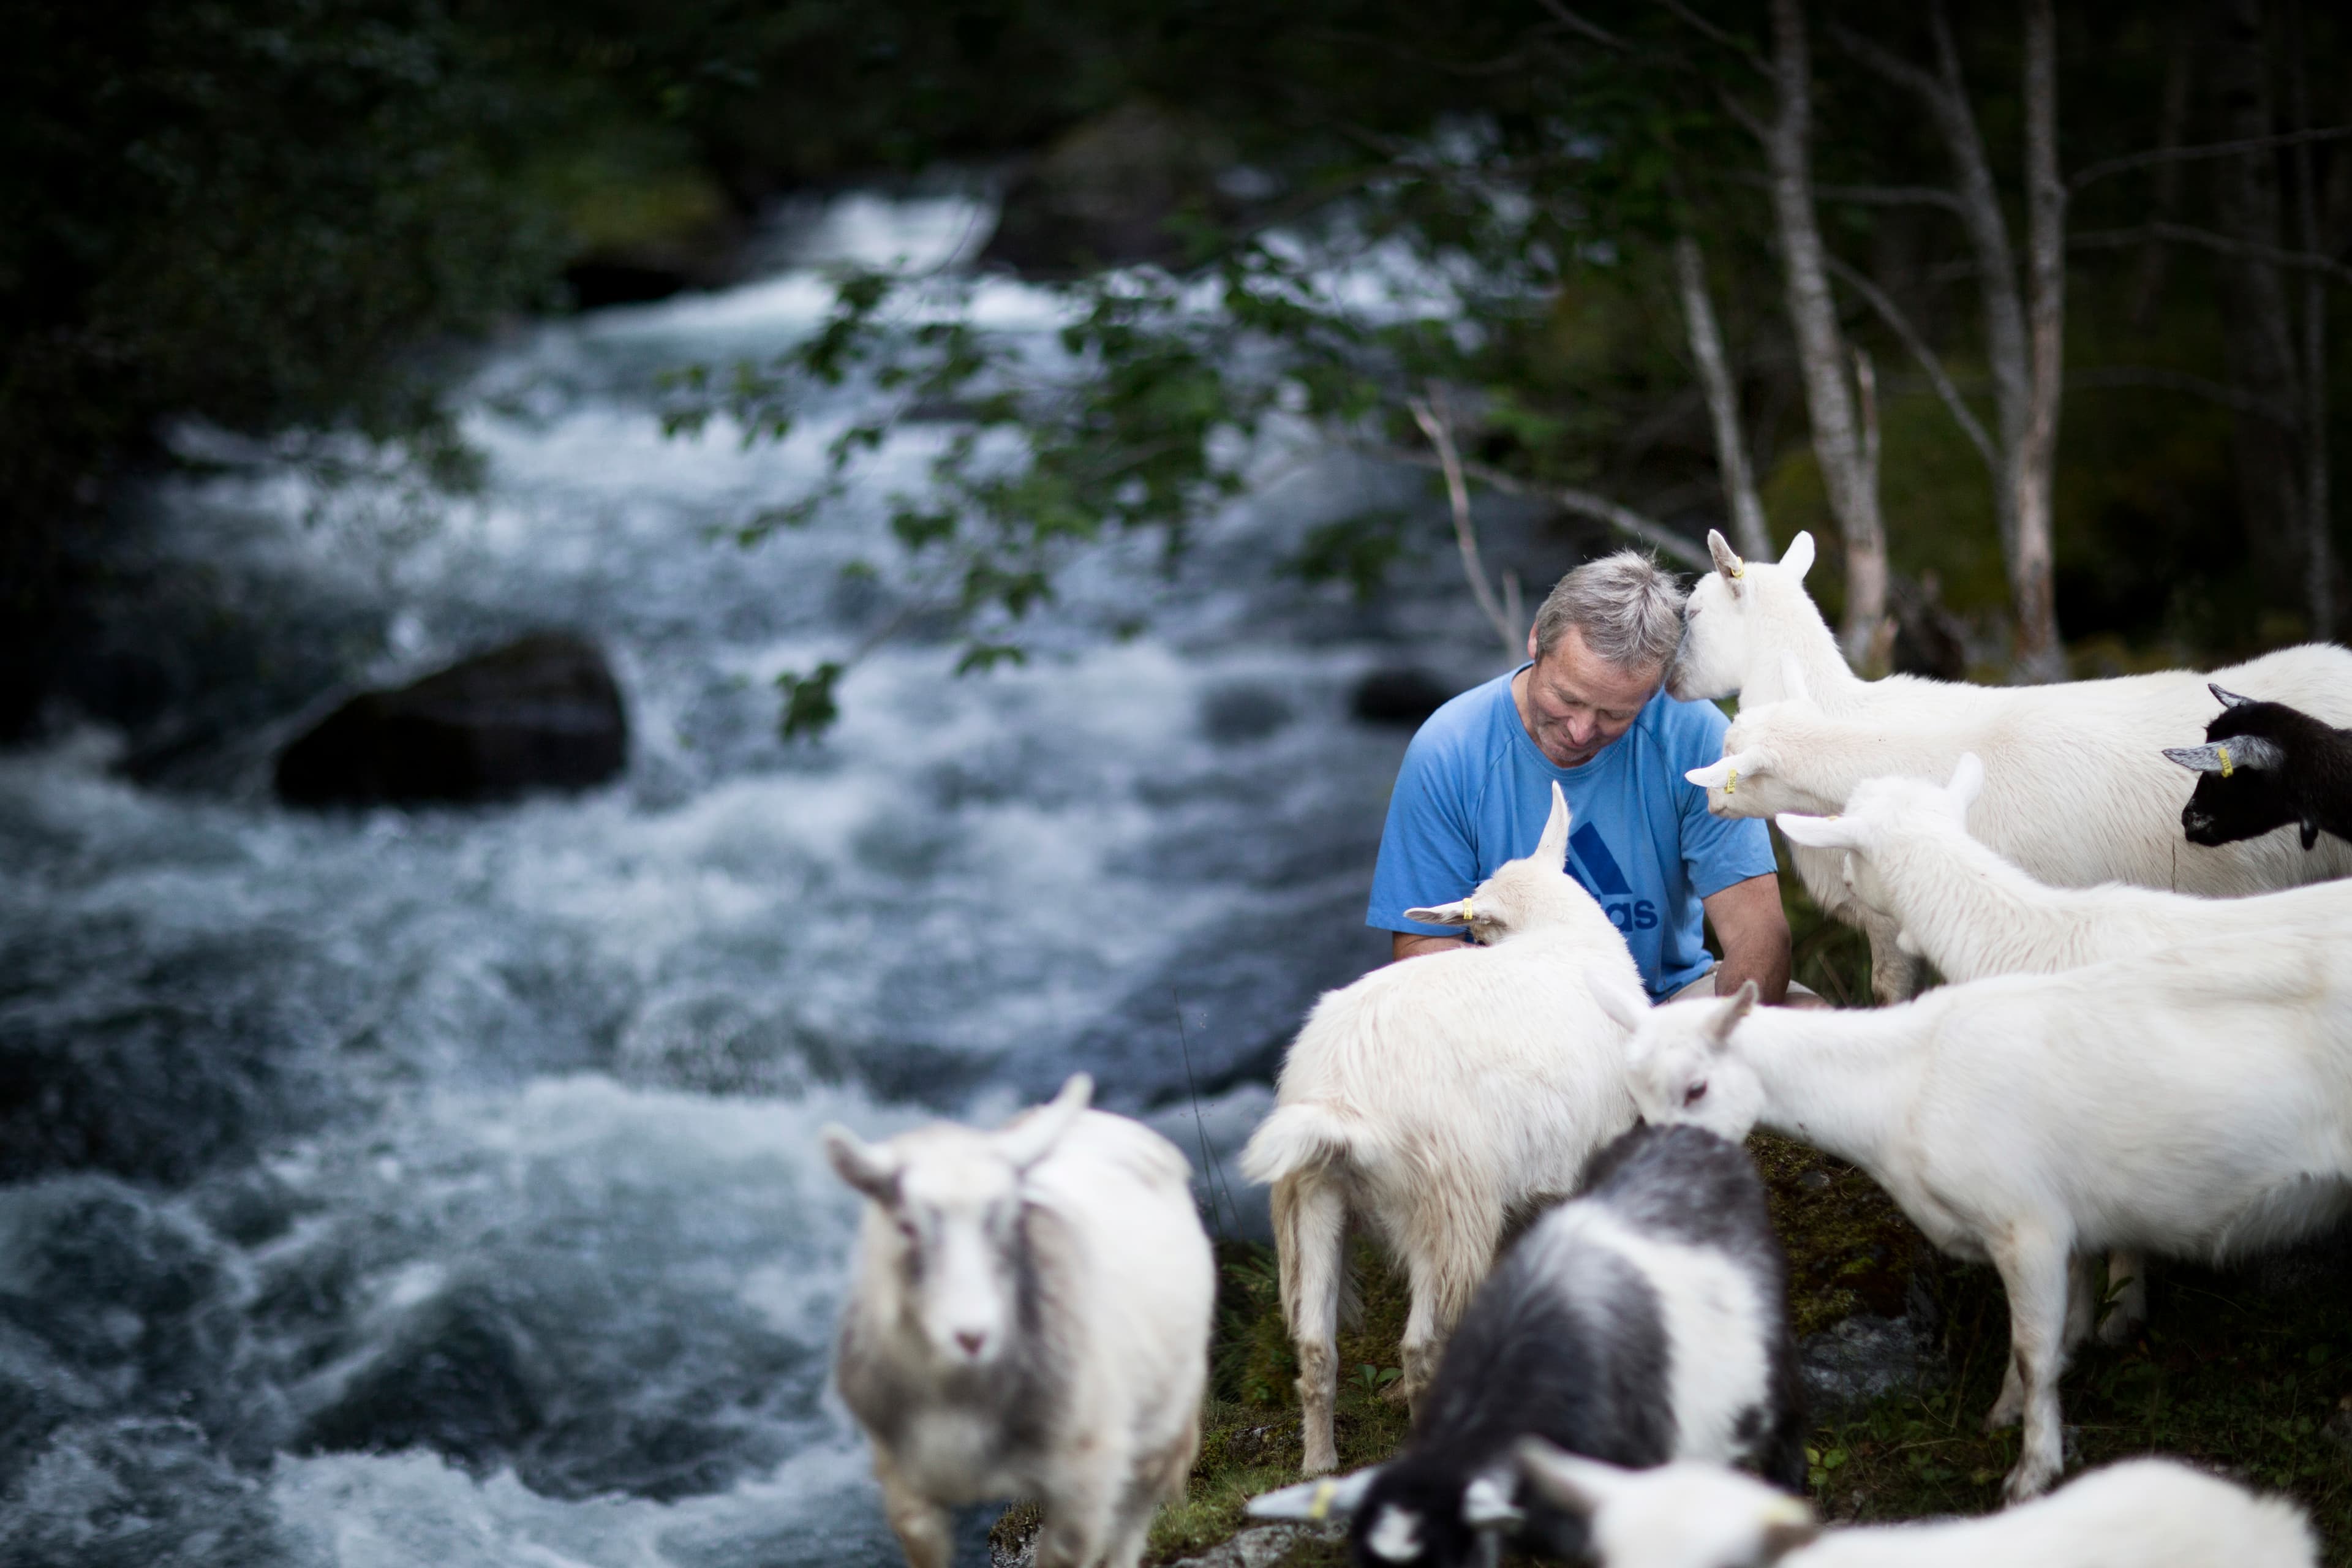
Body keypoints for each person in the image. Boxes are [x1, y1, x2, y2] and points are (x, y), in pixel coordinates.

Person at [1366, 550, 1816, 1005]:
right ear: (1537, 640)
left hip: (1665, 1000)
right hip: (1511, 1007)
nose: (1581, 731)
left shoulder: (1695, 736)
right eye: (1567, 698)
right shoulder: (1449, 749)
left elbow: (1757, 932)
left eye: (1615, 714)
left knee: (1810, 1018)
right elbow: (1421, 952)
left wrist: (1723, 1031)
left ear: (1655, 690)